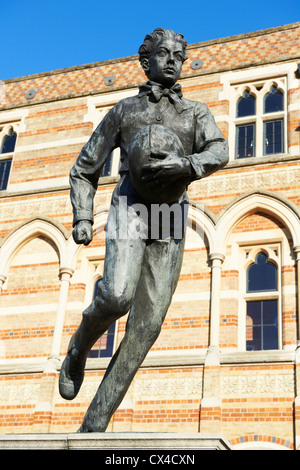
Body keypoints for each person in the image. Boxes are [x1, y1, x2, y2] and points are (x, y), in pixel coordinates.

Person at [59, 28, 228, 432]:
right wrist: (83, 215)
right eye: (163, 53)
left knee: (146, 327)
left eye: (179, 56)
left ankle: (95, 422)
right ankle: (79, 346)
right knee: (117, 295)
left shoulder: (196, 113)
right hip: (130, 205)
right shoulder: (124, 111)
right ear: (146, 60)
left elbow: (219, 149)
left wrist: (186, 166)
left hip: (170, 212)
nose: (172, 60)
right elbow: (84, 169)